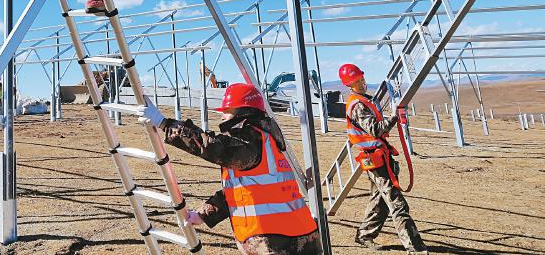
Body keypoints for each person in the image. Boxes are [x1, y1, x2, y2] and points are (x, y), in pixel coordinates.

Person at [140, 83, 320, 255]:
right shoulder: (264, 141)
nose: (222, 116)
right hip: (292, 237)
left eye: (227, 111)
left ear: (243, 112)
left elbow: (212, 147)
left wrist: (165, 124)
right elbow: (240, 193)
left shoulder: (251, 141)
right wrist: (203, 215)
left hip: (280, 241)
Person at [339, 63, 428, 254]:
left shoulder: (365, 100)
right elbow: (375, 129)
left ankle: (365, 235)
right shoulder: (358, 105)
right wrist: (394, 117)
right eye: (356, 81)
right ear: (349, 85)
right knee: (397, 204)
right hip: (375, 160)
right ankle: (415, 248)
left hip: (379, 157)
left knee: (380, 201)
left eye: (361, 79)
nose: (361, 83)